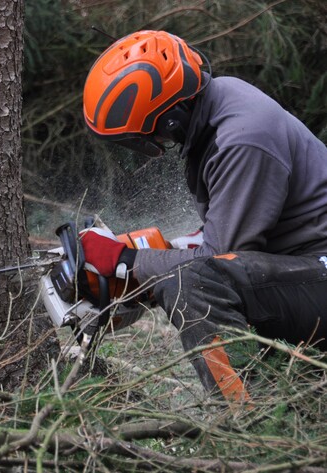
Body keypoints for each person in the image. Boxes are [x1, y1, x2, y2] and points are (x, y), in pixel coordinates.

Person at [79, 30, 327, 402]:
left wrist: (128, 262)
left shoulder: (242, 139)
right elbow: (227, 235)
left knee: (191, 284)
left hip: (317, 268)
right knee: (187, 273)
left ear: (170, 119)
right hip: (304, 266)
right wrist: (149, 254)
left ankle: (250, 426)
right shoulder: (218, 105)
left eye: (144, 136)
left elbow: (217, 261)